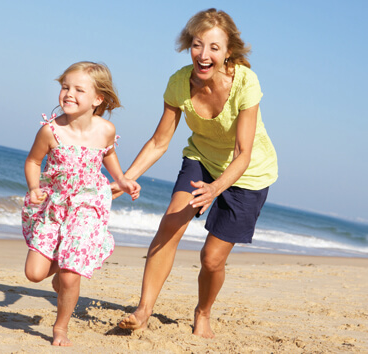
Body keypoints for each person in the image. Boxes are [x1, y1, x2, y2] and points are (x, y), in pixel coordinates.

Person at [114, 8, 278, 338]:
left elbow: (243, 153)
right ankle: (143, 310)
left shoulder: (246, 82)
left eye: (214, 48)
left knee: (211, 259)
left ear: (228, 51)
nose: (203, 55)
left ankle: (203, 312)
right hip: (201, 158)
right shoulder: (178, 83)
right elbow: (160, 142)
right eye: (197, 45)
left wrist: (216, 188)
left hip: (248, 175)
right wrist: (124, 177)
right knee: (171, 222)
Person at [21, 61, 140, 346]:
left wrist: (121, 180)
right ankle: (60, 269)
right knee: (34, 274)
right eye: (65, 87)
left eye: (78, 90)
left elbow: (107, 155)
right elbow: (33, 161)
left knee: (72, 275)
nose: (69, 94)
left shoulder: (105, 130)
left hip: (88, 205)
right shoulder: (50, 131)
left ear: (98, 99)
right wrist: (34, 187)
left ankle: (61, 327)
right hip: (56, 204)